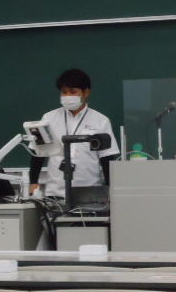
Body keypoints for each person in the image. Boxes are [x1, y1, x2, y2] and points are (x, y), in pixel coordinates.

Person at [29, 69, 120, 198]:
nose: (67, 96)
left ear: (86, 92)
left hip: (90, 193)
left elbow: (107, 159)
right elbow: (38, 154)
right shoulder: (49, 118)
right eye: (64, 92)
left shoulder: (101, 121)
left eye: (73, 92)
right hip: (55, 193)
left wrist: (110, 190)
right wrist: (33, 182)